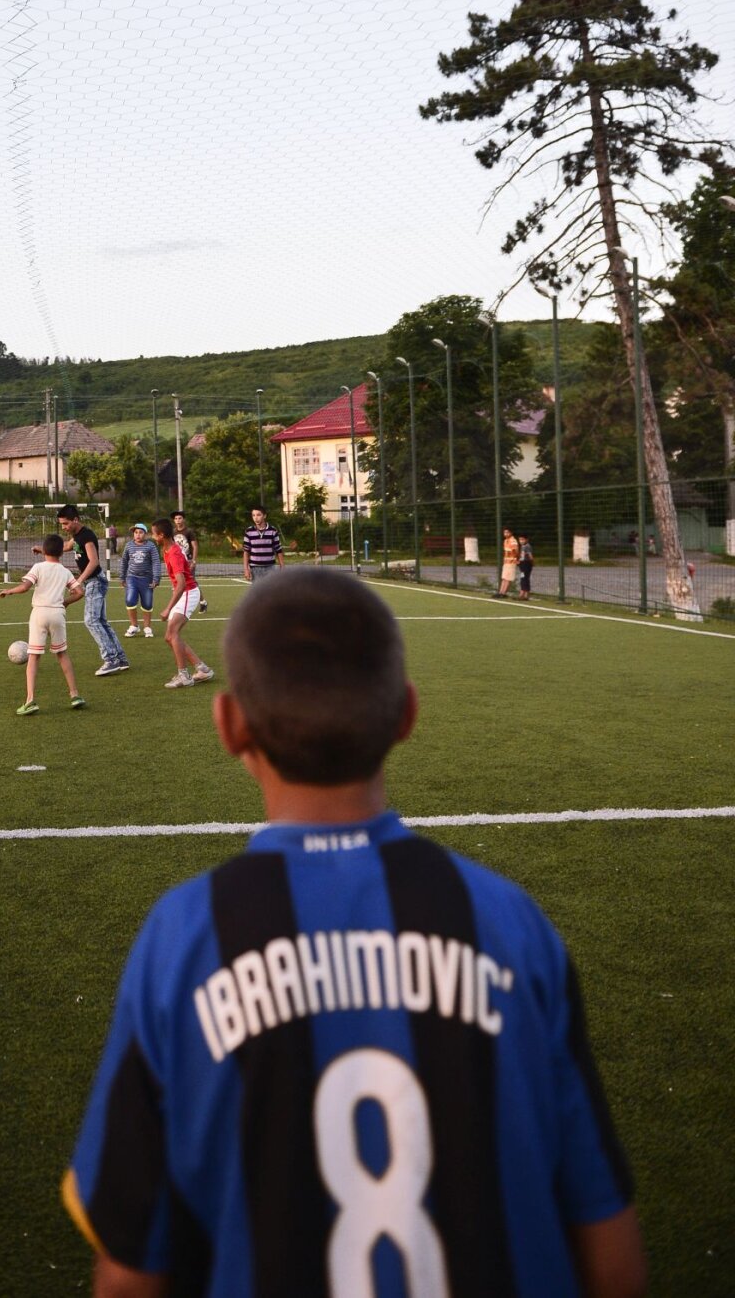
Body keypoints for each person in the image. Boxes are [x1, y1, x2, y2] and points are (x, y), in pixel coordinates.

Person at [63, 569, 646, 1298]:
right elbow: (611, 1256)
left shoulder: (182, 939)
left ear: (230, 726)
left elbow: (128, 1276)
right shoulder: (509, 922)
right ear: (406, 714)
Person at [0, 533, 86, 715]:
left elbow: (25, 587)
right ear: (61, 553)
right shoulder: (65, 571)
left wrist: (9, 591)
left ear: (43, 550)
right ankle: (75, 695)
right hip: (57, 614)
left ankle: (30, 700)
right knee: (62, 654)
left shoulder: (38, 567)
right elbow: (79, 592)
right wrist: (66, 602)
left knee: (33, 657)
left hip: (39, 613)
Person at [59, 504, 129, 676]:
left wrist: (79, 581)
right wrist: (44, 549)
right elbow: (67, 547)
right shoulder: (76, 536)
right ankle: (120, 658)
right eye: (61, 524)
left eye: (66, 524)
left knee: (91, 621)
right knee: (101, 621)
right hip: (93, 581)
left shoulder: (86, 536)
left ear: (75, 520)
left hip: (94, 581)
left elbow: (94, 561)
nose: (64, 527)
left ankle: (110, 659)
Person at [151, 517, 214, 689]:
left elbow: (182, 583)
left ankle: (184, 676)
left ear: (162, 535)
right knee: (169, 637)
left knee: (172, 634)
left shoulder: (174, 553)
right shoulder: (167, 549)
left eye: (154, 534)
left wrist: (167, 608)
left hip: (187, 593)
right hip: (183, 593)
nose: (152, 537)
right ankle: (202, 669)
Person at [120, 522, 162, 638]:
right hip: (132, 578)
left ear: (146, 534)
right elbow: (124, 561)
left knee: (147, 603)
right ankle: (134, 625)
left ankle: (147, 627)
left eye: (140, 532)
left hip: (146, 579)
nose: (138, 535)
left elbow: (156, 562)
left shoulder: (150, 546)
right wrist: (122, 577)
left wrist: (156, 578)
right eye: (135, 532)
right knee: (130, 600)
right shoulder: (129, 545)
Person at [172, 509, 208, 613]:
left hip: (188, 561)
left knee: (191, 583)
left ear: (183, 519)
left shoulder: (189, 531)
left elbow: (195, 546)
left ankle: (202, 602)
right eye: (176, 518)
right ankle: (178, 605)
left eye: (179, 518)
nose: (178, 520)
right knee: (178, 583)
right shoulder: (173, 532)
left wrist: (194, 561)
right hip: (177, 561)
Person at [243, 505, 285, 582]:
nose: (256, 518)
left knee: (270, 591)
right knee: (257, 591)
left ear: (264, 516)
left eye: (258, 515)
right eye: (253, 515)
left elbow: (278, 550)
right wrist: (246, 569)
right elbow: (246, 551)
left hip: (270, 567)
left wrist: (282, 566)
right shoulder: (249, 531)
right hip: (255, 568)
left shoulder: (273, 530)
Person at [497, 527, 520, 596]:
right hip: (506, 562)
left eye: (507, 532)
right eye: (504, 532)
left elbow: (516, 551)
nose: (505, 534)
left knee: (508, 578)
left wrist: (517, 559)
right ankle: (500, 592)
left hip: (511, 562)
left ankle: (503, 593)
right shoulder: (505, 541)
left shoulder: (513, 541)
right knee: (504, 577)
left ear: (511, 533)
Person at [518, 533, 534, 600]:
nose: (521, 541)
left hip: (526, 564)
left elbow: (530, 556)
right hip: (522, 564)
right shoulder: (522, 546)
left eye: (522, 539)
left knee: (525, 578)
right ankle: (524, 594)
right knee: (523, 578)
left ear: (526, 540)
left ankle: (524, 594)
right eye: (520, 540)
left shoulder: (527, 546)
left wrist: (531, 562)